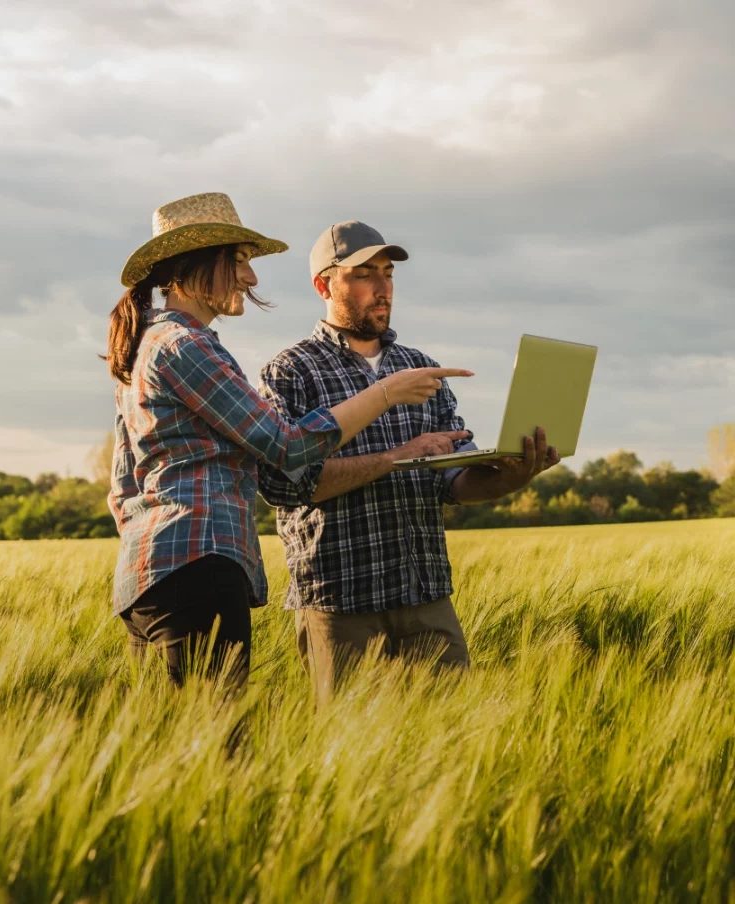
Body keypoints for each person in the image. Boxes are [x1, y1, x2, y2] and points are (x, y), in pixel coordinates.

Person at [105, 194, 471, 688]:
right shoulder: (185, 346)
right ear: (192, 265)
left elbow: (123, 487)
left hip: (151, 576)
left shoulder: (145, 343)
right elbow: (286, 448)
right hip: (199, 566)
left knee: (179, 746)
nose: (251, 278)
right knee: (219, 745)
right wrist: (385, 395)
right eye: (238, 261)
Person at [257, 220, 560, 704]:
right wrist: (398, 457)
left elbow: (451, 483)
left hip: (426, 596)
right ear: (323, 285)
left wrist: (509, 477)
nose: (382, 288)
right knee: (352, 758)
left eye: (388, 274)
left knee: (452, 748)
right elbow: (288, 485)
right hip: (341, 603)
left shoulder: (418, 366)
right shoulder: (290, 371)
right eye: (363, 275)